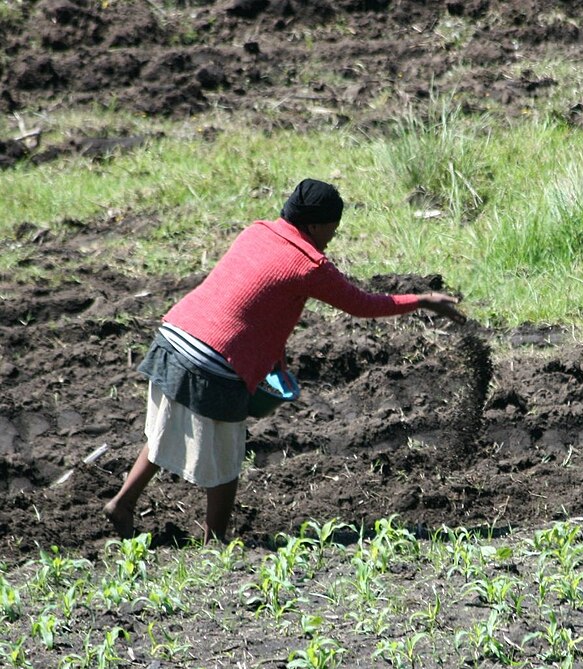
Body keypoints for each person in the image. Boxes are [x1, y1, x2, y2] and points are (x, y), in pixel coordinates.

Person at [104, 179, 465, 543]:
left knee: (164, 429)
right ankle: (215, 542)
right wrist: (421, 300)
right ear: (314, 226)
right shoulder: (309, 264)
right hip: (211, 361)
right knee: (229, 458)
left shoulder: (257, 232)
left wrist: (275, 360)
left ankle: (122, 503)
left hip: (173, 336)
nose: (332, 237)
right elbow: (362, 304)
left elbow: (257, 305)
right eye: (332, 229)